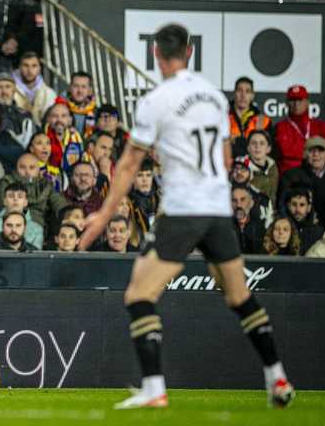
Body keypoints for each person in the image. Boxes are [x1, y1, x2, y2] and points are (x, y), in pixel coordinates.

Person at [78, 24, 293, 409]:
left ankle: (154, 387)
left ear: (156, 55)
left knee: (139, 294)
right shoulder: (213, 95)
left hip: (183, 209)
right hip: (218, 209)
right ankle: (276, 377)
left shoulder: (156, 100)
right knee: (239, 296)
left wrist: (101, 216)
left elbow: (127, 166)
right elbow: (225, 159)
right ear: (190, 53)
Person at [279, 136, 325, 225]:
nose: (316, 154)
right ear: (304, 154)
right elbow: (282, 206)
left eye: (320, 151)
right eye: (311, 151)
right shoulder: (291, 176)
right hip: (297, 228)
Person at [274, 84, 325, 174]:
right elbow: (284, 151)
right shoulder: (280, 127)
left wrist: (299, 151)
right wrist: (315, 153)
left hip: (318, 173)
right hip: (290, 175)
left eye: (300, 100)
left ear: (307, 102)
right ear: (287, 103)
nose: (296, 104)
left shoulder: (321, 126)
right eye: (292, 100)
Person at [0, 182, 43, 250]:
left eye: (20, 196)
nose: (15, 199)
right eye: (11, 196)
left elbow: (35, 255)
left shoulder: (37, 229)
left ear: (25, 202)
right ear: (4, 201)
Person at [228, 77, 271, 158]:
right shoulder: (222, 117)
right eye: (240, 90)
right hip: (227, 164)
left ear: (252, 95)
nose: (243, 95)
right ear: (234, 93)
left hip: (252, 166)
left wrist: (236, 140)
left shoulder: (263, 121)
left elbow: (266, 150)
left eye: (247, 91)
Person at [12, 51, 57, 126]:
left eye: (34, 66)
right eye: (26, 65)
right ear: (19, 67)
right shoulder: (9, 89)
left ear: (39, 69)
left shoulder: (49, 93)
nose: (29, 70)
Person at [246, 130, 278, 208]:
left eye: (262, 143)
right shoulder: (241, 170)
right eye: (254, 143)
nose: (257, 146)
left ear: (268, 149)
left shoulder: (273, 167)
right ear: (248, 148)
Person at [232, 185, 265, 254]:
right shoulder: (221, 228)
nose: (238, 205)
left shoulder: (260, 228)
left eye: (243, 200)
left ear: (251, 203)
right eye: (234, 200)